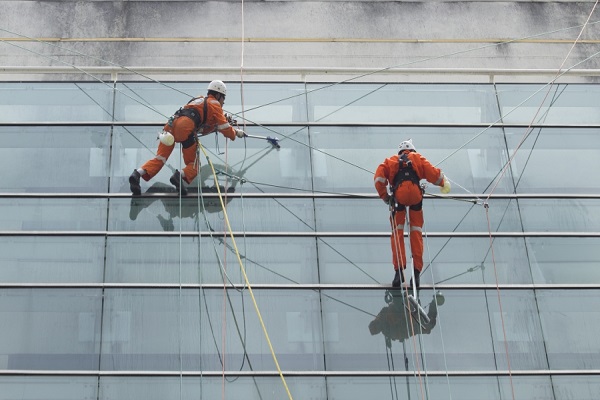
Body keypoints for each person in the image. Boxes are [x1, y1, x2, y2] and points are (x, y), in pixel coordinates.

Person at [129, 80, 246, 196]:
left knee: (160, 158)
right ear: (218, 95)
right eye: (223, 98)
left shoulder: (198, 100)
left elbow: (202, 124)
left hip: (170, 125)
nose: (223, 102)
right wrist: (236, 133)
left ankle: (137, 174)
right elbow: (225, 128)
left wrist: (214, 126)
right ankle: (178, 176)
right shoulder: (215, 103)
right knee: (194, 165)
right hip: (185, 127)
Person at [374, 139, 451, 289]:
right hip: (416, 196)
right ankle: (416, 273)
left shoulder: (391, 161)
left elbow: (378, 179)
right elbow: (434, 174)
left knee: (397, 232)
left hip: (399, 197)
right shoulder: (417, 158)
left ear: (400, 151)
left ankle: (399, 272)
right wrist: (444, 183)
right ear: (412, 150)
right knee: (416, 232)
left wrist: (385, 196)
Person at [368, 291, 444, 346]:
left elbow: (386, 310)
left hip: (403, 311)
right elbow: (401, 334)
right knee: (428, 327)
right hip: (410, 323)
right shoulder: (387, 332)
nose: (377, 329)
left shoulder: (381, 319)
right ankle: (434, 303)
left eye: (375, 328)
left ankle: (406, 292)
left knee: (403, 301)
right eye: (376, 330)